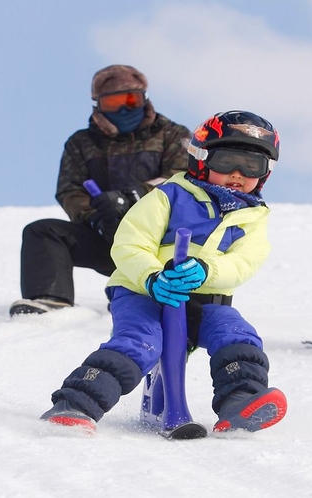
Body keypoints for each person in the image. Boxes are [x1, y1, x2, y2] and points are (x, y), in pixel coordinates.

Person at [40, 110, 288, 433]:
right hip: (143, 291)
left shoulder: (254, 217)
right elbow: (129, 243)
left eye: (252, 166)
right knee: (141, 341)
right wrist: (152, 277)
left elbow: (244, 263)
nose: (238, 174)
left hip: (204, 297)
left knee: (236, 333)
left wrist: (204, 270)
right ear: (202, 159)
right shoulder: (170, 195)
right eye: (226, 162)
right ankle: (76, 403)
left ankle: (241, 399)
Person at [9, 65, 190, 316]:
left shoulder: (173, 134)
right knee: (43, 232)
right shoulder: (82, 143)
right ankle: (50, 299)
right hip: (107, 235)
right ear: (98, 104)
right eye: (114, 102)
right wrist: (93, 218)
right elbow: (70, 189)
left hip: (157, 239)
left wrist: (131, 197)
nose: (125, 109)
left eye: (131, 99)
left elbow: (182, 178)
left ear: (144, 99)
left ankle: (146, 299)